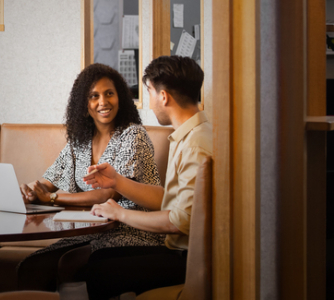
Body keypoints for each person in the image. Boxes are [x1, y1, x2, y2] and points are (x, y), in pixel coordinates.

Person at [16, 63, 164, 291]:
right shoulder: (79, 141)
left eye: (109, 94)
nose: (103, 102)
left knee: (71, 263)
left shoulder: (133, 135)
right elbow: (49, 182)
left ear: (120, 98)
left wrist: (52, 199)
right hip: (93, 230)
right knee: (34, 265)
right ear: (85, 105)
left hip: (133, 229)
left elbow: (108, 193)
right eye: (94, 96)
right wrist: (33, 190)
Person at [82, 55, 212, 299]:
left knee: (99, 271)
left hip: (188, 259)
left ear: (164, 96)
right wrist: (117, 181)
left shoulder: (195, 145)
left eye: (150, 92)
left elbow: (179, 221)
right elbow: (172, 200)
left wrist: (119, 213)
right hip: (179, 251)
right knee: (99, 258)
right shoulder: (190, 135)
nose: (150, 103)